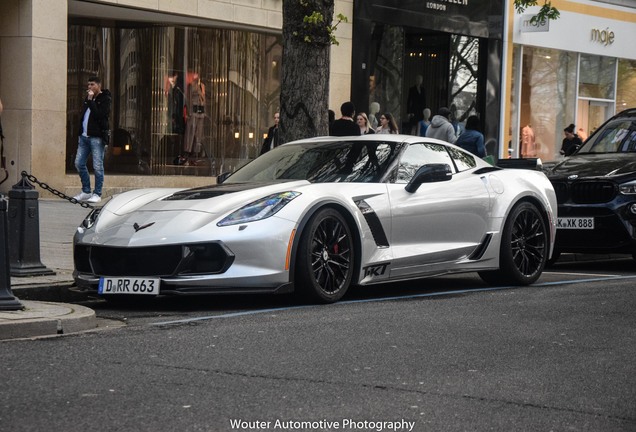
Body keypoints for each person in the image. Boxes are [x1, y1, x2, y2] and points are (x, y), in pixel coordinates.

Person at [74, 76, 111, 204]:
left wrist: (90, 101)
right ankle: (86, 191)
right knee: (79, 163)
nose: (89, 87)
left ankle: (97, 193)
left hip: (97, 137)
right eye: (88, 84)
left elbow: (99, 115)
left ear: (98, 85)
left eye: (92, 84)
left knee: (97, 166)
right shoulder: (87, 99)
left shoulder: (105, 99)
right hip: (84, 137)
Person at [184, 72, 206, 165]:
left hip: (201, 111)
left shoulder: (202, 86)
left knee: (199, 133)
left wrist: (205, 111)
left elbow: (204, 99)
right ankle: (188, 151)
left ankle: (196, 152)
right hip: (193, 111)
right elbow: (188, 98)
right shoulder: (191, 86)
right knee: (191, 131)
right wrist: (189, 111)